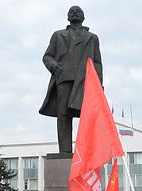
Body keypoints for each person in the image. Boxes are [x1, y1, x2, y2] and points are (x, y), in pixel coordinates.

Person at [39, 6, 103, 154]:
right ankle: (65, 152)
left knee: (87, 115)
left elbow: (98, 63)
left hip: (85, 80)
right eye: (71, 11)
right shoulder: (58, 35)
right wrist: (55, 67)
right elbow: (47, 56)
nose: (75, 12)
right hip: (64, 78)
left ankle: (86, 152)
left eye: (78, 11)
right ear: (68, 17)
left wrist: (99, 84)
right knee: (63, 114)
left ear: (83, 17)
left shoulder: (92, 38)